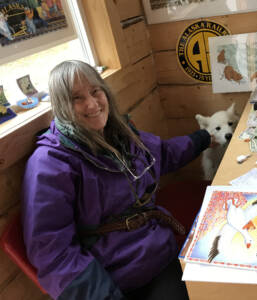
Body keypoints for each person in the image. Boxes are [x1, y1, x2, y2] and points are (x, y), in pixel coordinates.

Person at [21, 60, 212, 299]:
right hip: (115, 277)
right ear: (62, 106)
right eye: (76, 98)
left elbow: (162, 154)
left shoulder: (119, 134)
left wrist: (205, 137)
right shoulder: (49, 164)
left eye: (95, 91)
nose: (91, 104)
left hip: (158, 252)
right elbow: (54, 254)